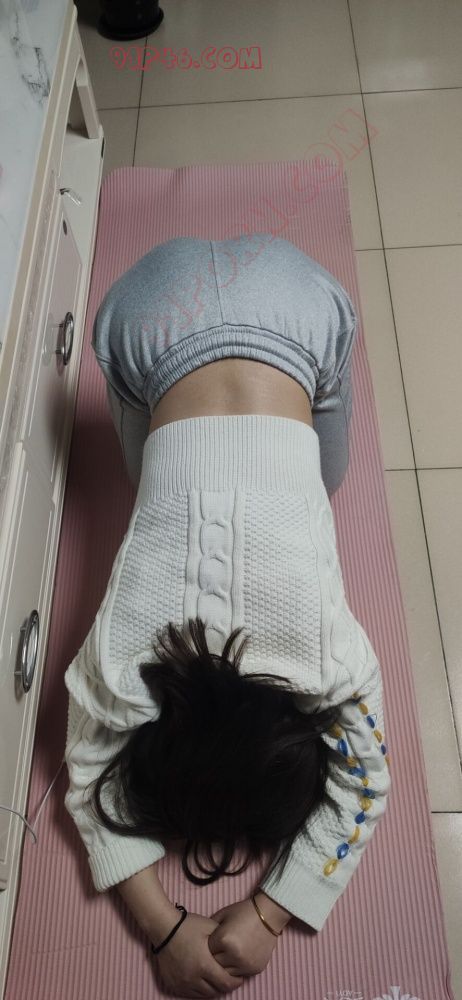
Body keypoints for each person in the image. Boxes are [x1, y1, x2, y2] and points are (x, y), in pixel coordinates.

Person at [63, 233, 391, 998]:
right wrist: (247, 914)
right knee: (325, 475)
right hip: (156, 304)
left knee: (323, 473)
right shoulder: (124, 664)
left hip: (273, 302)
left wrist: (185, 926)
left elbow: (366, 782)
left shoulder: (325, 662)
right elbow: (85, 772)